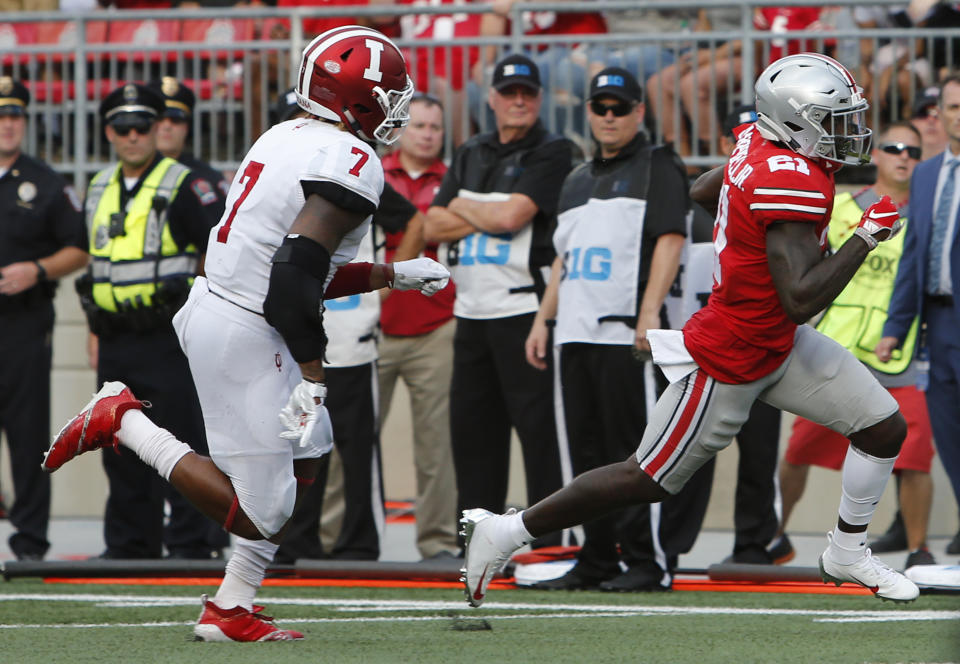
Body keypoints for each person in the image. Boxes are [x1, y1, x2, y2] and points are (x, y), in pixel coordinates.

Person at [460, 52, 920, 608]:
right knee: (646, 478)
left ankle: (847, 552)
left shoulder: (760, 144)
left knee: (881, 428)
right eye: (836, 119)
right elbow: (801, 299)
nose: (850, 131)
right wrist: (865, 237)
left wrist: (743, 226)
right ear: (797, 121)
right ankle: (506, 532)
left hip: (776, 342)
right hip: (732, 356)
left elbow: (707, 189)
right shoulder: (788, 175)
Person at [43, 25, 449, 641]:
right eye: (389, 93)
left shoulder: (288, 134)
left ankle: (231, 606)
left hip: (231, 309)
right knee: (260, 512)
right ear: (356, 99)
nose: (397, 106)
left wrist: (393, 273)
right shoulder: (353, 159)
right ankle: (122, 422)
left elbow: (296, 270)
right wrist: (313, 375)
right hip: (247, 327)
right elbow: (293, 279)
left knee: (311, 449)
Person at [523, 67, 713, 592]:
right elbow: (564, 260)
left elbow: (671, 240)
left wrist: (649, 315)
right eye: (601, 107)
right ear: (589, 111)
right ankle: (596, 557)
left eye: (620, 108)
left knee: (637, 454)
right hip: (574, 333)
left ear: (639, 112)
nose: (609, 117)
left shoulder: (658, 164)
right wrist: (543, 319)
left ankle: (648, 561)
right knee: (585, 455)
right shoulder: (576, 178)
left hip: (625, 334)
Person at [424, 53, 575, 550]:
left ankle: (549, 545)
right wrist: (488, 211)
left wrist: (466, 206)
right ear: (490, 98)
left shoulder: (553, 151)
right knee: (474, 438)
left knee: (538, 436)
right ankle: (478, 543)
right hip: (470, 312)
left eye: (527, 93)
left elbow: (513, 217)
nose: (518, 101)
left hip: (523, 311)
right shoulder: (472, 150)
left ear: (538, 99)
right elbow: (431, 224)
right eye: (508, 93)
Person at [74, 82, 225, 560]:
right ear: (109, 132)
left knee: (182, 440)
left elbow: (218, 254)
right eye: (123, 127)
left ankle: (192, 542)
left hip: (169, 337)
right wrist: (93, 331)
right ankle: (130, 543)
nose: (133, 136)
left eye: (142, 126)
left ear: (157, 128)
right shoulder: (98, 186)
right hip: (116, 337)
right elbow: (98, 265)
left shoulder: (185, 184)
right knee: (118, 443)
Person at [777, 122, 937, 571]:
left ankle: (919, 550)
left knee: (916, 455)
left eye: (913, 150)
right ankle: (775, 533)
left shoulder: (927, 214)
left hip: (901, 350)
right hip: (837, 349)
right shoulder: (843, 207)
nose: (903, 155)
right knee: (798, 450)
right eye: (892, 147)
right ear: (876, 155)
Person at [0, 77, 87, 561]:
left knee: (27, 432)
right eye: (1, 116)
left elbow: (78, 249)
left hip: (23, 325)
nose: (7, 124)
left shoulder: (48, 183)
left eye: (14, 116)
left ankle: (29, 543)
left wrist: (36, 270)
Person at [878, 74, 960, 559]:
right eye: (951, 106)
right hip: (939, 328)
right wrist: (895, 327)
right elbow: (912, 256)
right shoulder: (927, 174)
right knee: (948, 439)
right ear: (941, 114)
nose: (958, 114)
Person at [378, 92, 460, 560]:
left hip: (435, 326)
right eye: (420, 125)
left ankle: (438, 543)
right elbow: (435, 226)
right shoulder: (371, 174)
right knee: (352, 442)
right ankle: (338, 539)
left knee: (437, 448)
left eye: (436, 127)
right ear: (401, 129)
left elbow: (458, 222)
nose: (428, 134)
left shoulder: (453, 181)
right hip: (373, 329)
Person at [147, 77, 230, 204]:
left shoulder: (207, 178)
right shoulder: (127, 175)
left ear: (186, 127)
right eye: (159, 118)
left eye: (175, 120)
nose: (167, 126)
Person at [910, 87, 948, 161]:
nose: (931, 120)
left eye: (938, 114)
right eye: (923, 113)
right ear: (911, 121)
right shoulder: (901, 168)